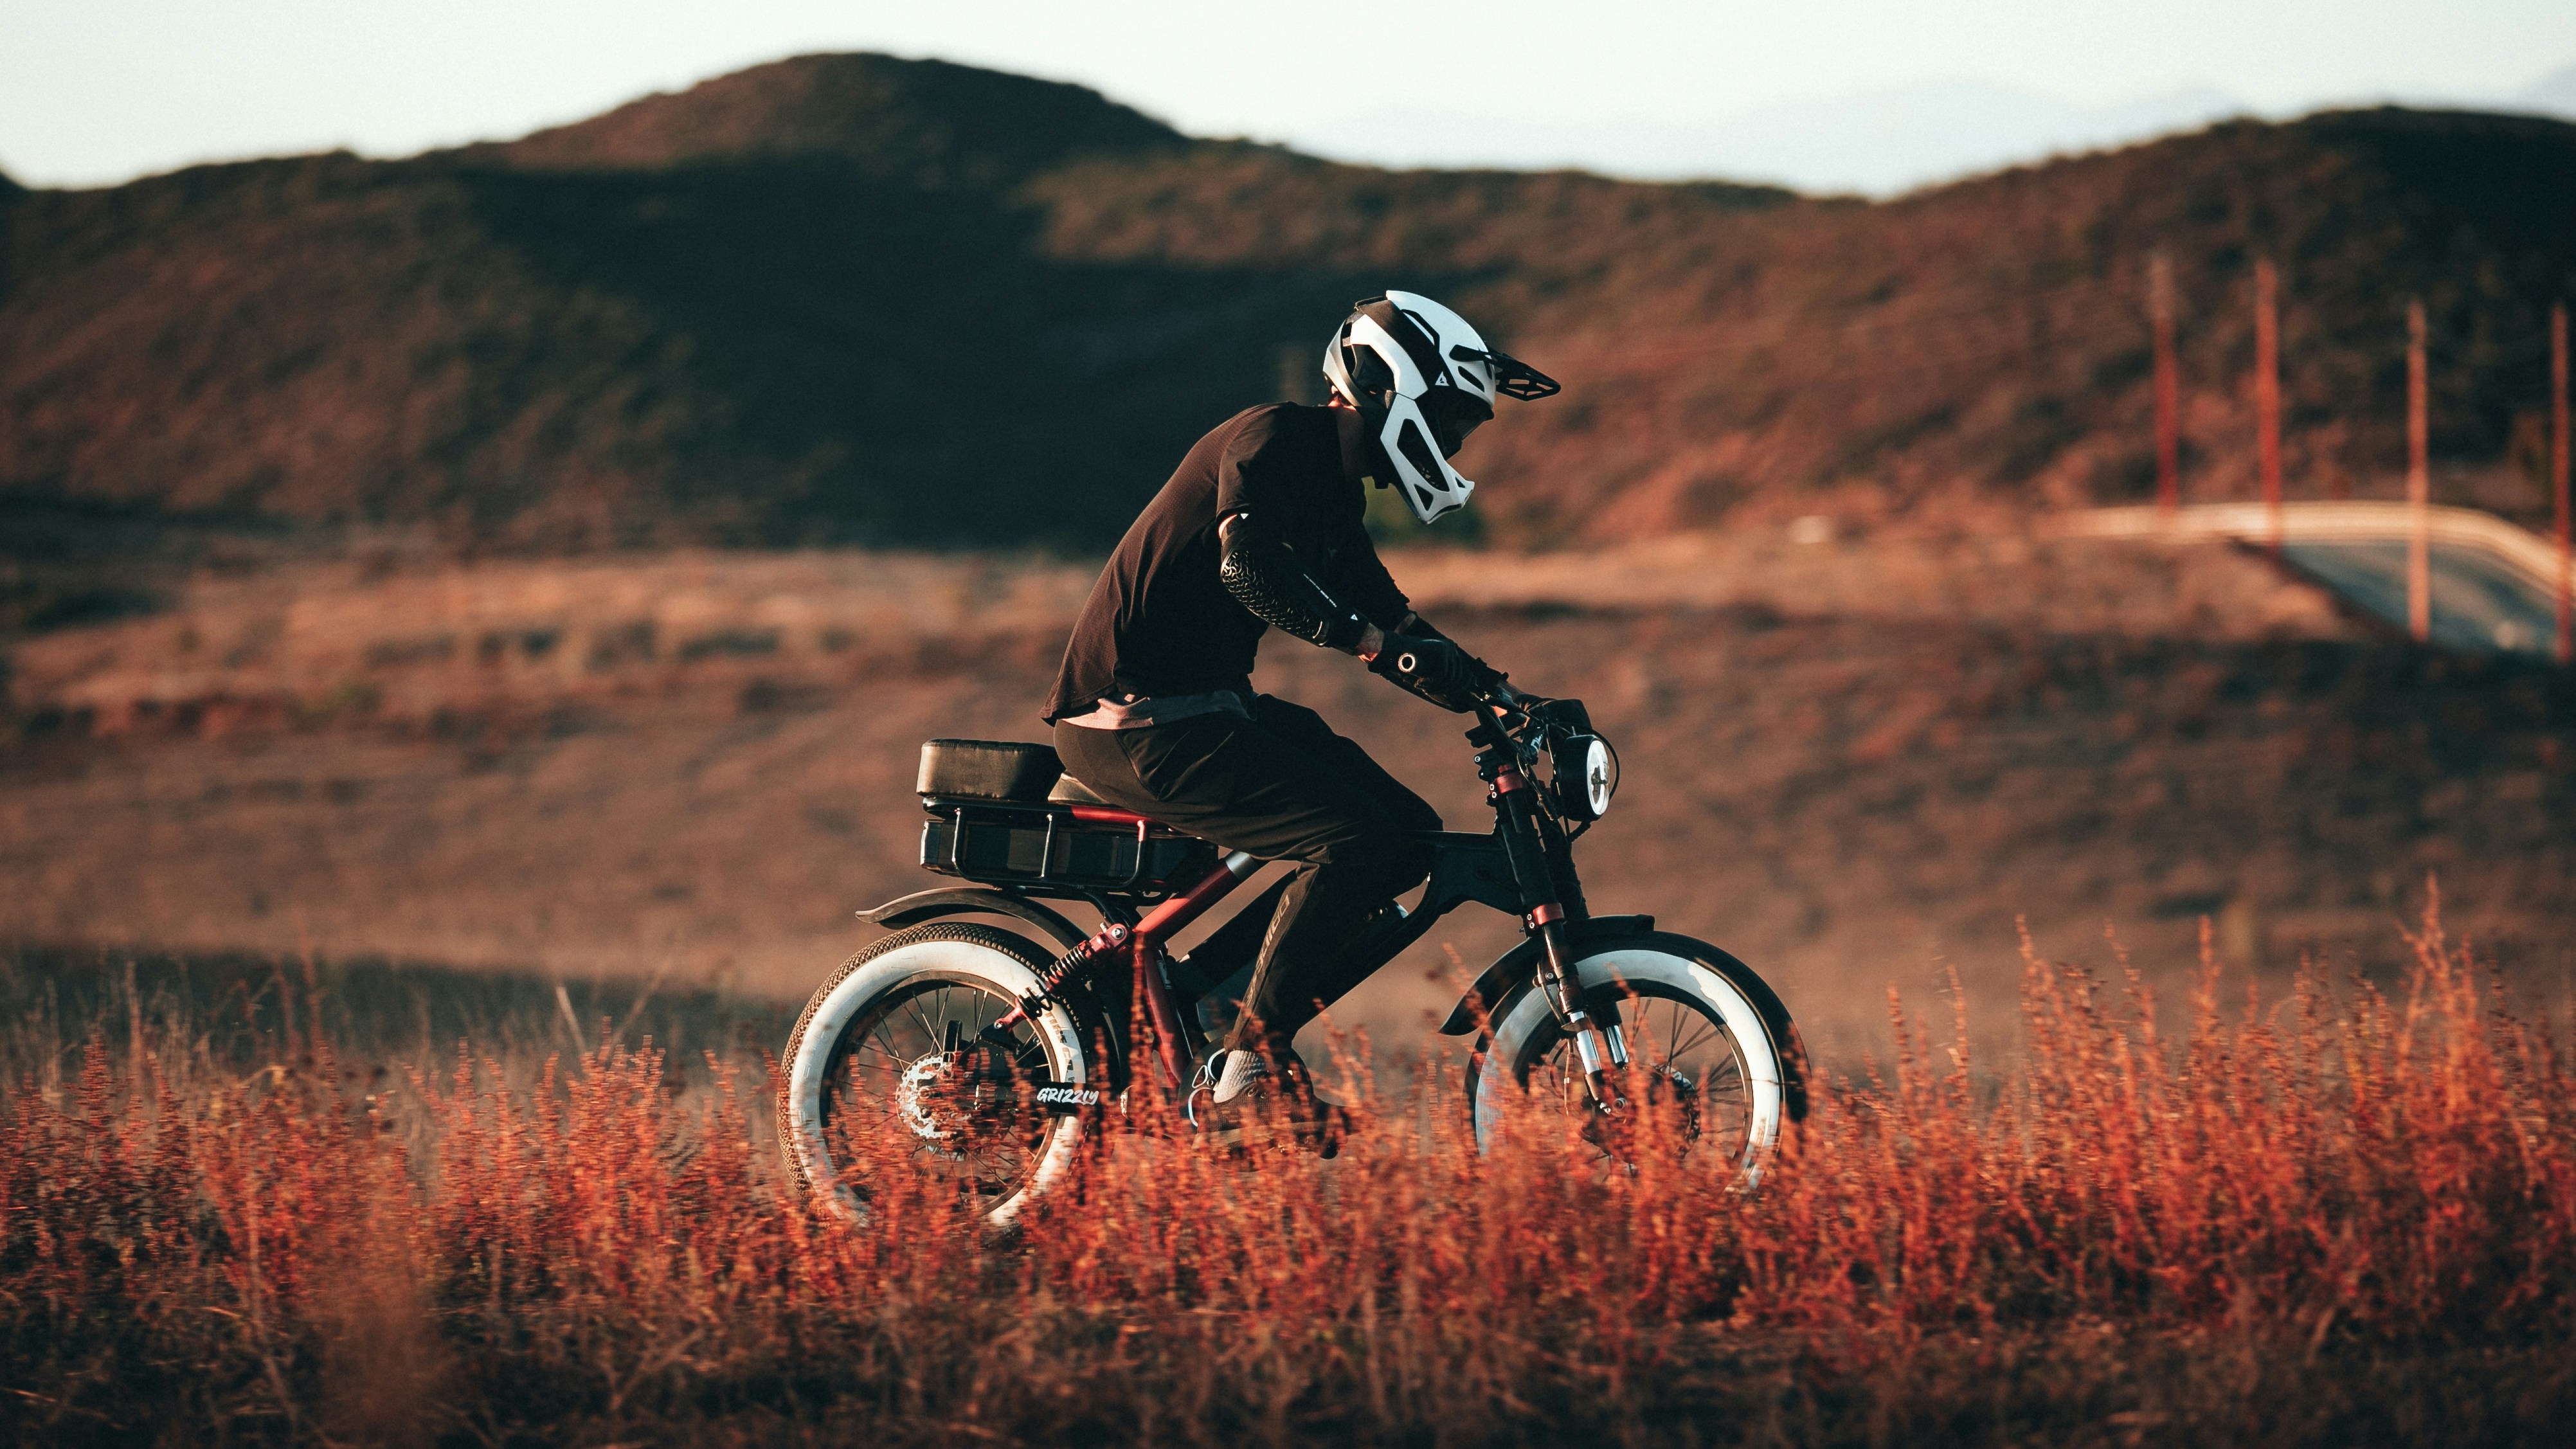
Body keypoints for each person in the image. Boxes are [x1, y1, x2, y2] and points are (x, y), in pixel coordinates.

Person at [1043, 292, 1560, 1142]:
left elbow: (1398, 624)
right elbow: (1247, 566)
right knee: (1353, 841)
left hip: (1202, 710)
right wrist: (1365, 643)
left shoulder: (1336, 496)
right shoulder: (1274, 437)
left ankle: (1214, 1003)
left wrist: (1503, 697)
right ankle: (1251, 1056)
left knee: (1405, 831)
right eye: (1451, 417)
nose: (1458, 440)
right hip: (1129, 720)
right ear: (1395, 388)